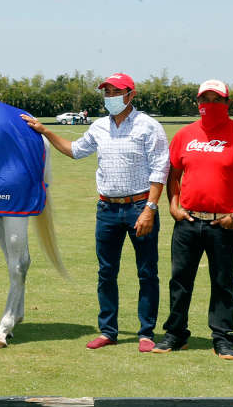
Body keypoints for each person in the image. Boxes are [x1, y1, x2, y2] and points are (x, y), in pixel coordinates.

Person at [22, 72, 170, 352]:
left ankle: (146, 332)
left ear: (131, 95)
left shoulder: (148, 126)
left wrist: (150, 208)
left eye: (116, 92)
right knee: (106, 273)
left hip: (140, 206)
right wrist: (46, 132)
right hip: (107, 209)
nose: (110, 97)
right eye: (107, 92)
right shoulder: (99, 127)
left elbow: (160, 168)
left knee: (147, 273)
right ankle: (108, 330)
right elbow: (75, 150)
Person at [153, 80, 233, 360]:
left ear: (227, 103)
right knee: (180, 281)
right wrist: (174, 205)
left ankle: (223, 338)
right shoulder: (185, 135)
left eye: (217, 99)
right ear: (198, 103)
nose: (210, 104)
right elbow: (173, 175)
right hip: (188, 222)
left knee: (223, 282)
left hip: (223, 225)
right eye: (205, 99)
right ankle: (176, 334)